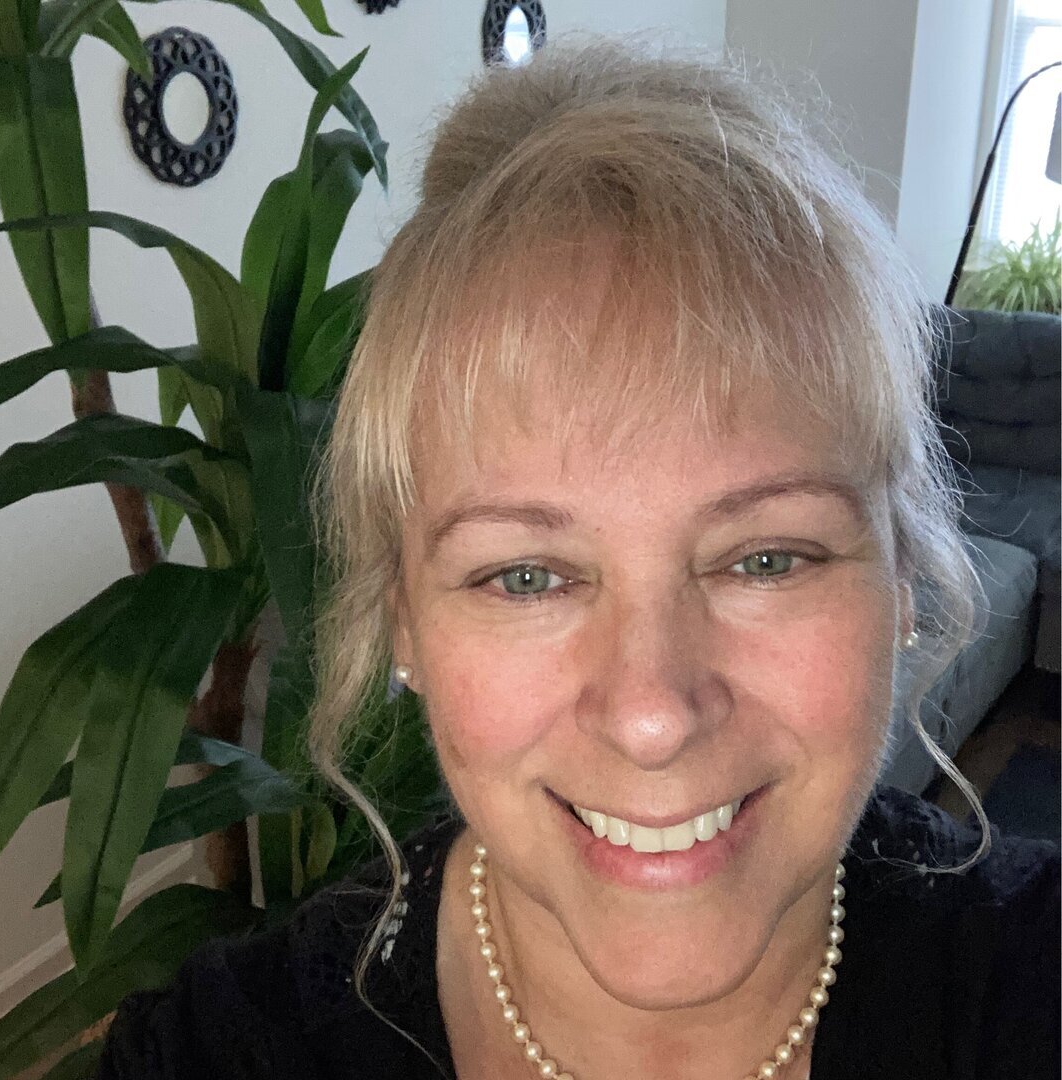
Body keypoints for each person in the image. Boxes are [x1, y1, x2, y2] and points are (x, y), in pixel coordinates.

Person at [95, 39, 1060, 1080]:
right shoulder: (216, 1052)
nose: (652, 717)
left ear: (902, 579)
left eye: (767, 559)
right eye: (526, 577)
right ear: (404, 620)